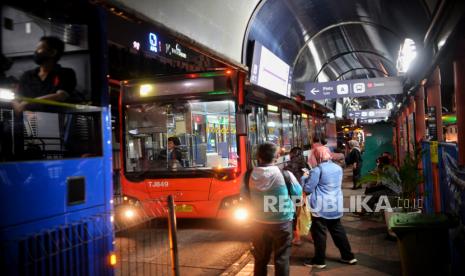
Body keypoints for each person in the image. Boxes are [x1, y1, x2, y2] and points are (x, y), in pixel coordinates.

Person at [241, 142, 302, 276]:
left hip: (258, 223)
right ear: (277, 156)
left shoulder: (248, 175)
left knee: (261, 259)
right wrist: (294, 211)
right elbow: (298, 195)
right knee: (282, 258)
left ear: (258, 157)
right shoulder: (286, 175)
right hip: (283, 223)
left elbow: (244, 199)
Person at [301, 146, 357, 269]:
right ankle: (348, 256)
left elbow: (308, 188)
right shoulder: (338, 168)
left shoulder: (317, 170)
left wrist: (305, 177)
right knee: (338, 231)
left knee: (319, 234)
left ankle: (319, 260)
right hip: (335, 204)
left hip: (321, 207)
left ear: (317, 156)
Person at [13, 36, 78, 112]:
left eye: (39, 49)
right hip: (29, 120)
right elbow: (17, 97)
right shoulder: (27, 75)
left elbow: (61, 96)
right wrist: (17, 107)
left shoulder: (66, 73)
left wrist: (28, 103)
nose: (36, 52)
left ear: (52, 52)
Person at [283, 147, 311, 245]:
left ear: (292, 154)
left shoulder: (289, 166)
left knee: (294, 215)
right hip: (303, 193)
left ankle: (297, 237)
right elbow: (309, 176)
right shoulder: (305, 164)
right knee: (305, 213)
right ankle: (312, 237)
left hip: (293, 193)